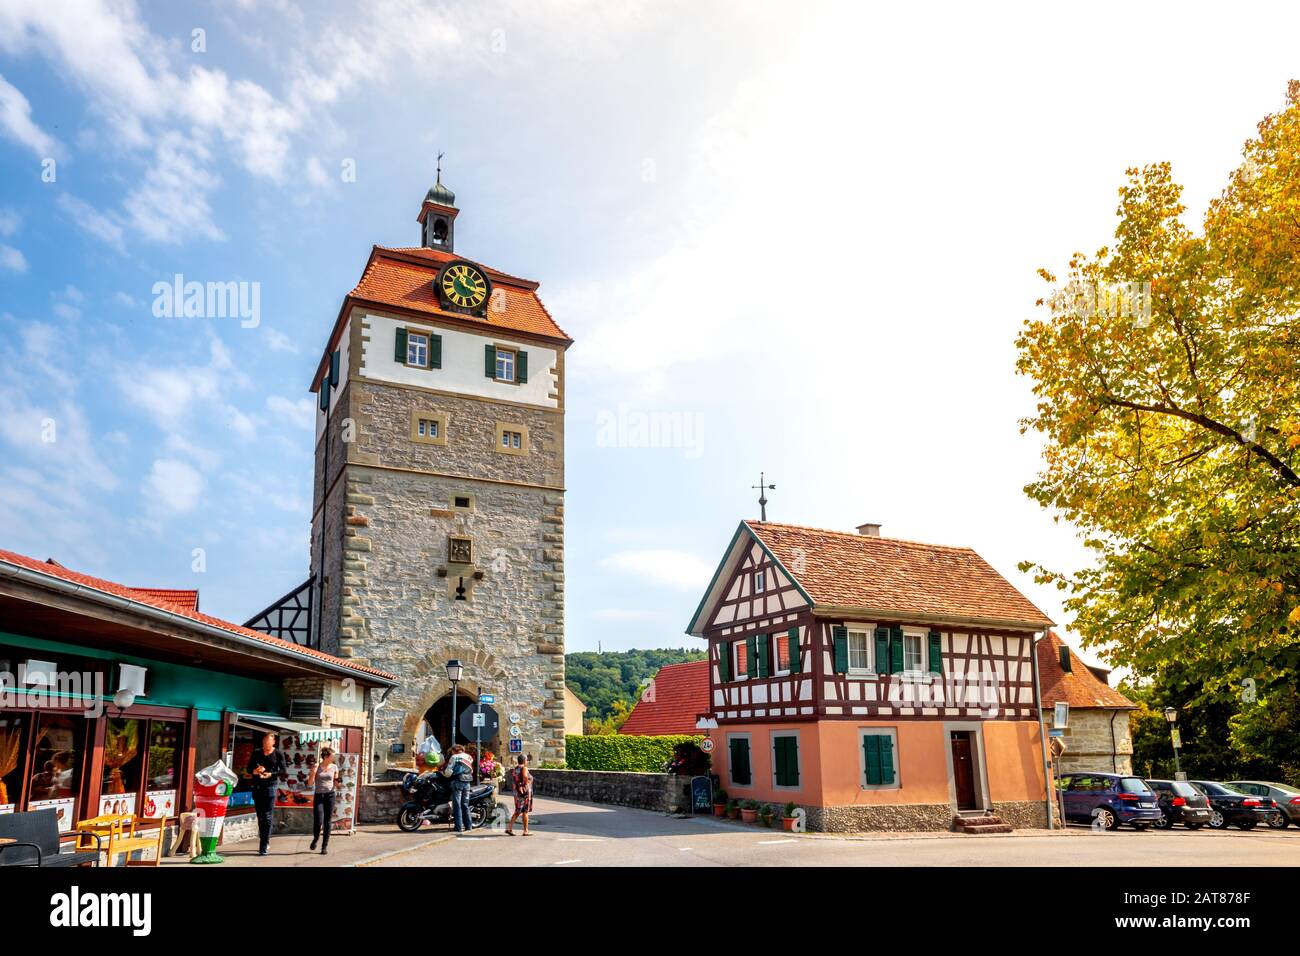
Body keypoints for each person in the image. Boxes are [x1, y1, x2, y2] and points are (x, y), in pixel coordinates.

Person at [246, 732, 287, 856]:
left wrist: (271, 774)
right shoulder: (257, 752)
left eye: (268, 741)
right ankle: (266, 839)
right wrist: (256, 770)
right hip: (258, 787)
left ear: (273, 742)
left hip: (270, 786)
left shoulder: (278, 753)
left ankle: (263, 847)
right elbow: (248, 769)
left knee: (267, 816)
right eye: (264, 742)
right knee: (260, 816)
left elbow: (283, 770)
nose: (266, 744)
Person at [306, 747, 339, 855]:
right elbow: (310, 784)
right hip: (319, 796)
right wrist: (313, 772)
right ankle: (316, 838)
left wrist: (338, 783)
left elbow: (336, 782)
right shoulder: (317, 767)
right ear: (325, 757)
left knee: (327, 822)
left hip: (330, 795)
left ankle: (324, 846)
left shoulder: (334, 767)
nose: (334, 757)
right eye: (332, 756)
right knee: (318, 820)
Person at [441, 744, 474, 833]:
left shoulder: (454, 757)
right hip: (467, 782)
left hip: (457, 781)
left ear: (454, 750)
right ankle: (468, 826)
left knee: (457, 805)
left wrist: (444, 774)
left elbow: (449, 771)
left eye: (452, 751)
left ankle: (458, 827)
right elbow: (470, 769)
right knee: (465, 804)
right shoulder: (469, 757)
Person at [506, 754, 533, 836]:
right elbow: (525, 777)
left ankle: (509, 828)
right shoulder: (524, 768)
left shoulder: (515, 769)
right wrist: (527, 783)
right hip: (524, 793)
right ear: (524, 760)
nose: (527, 761)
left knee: (517, 811)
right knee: (525, 811)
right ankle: (526, 831)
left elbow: (515, 780)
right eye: (527, 760)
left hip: (517, 792)